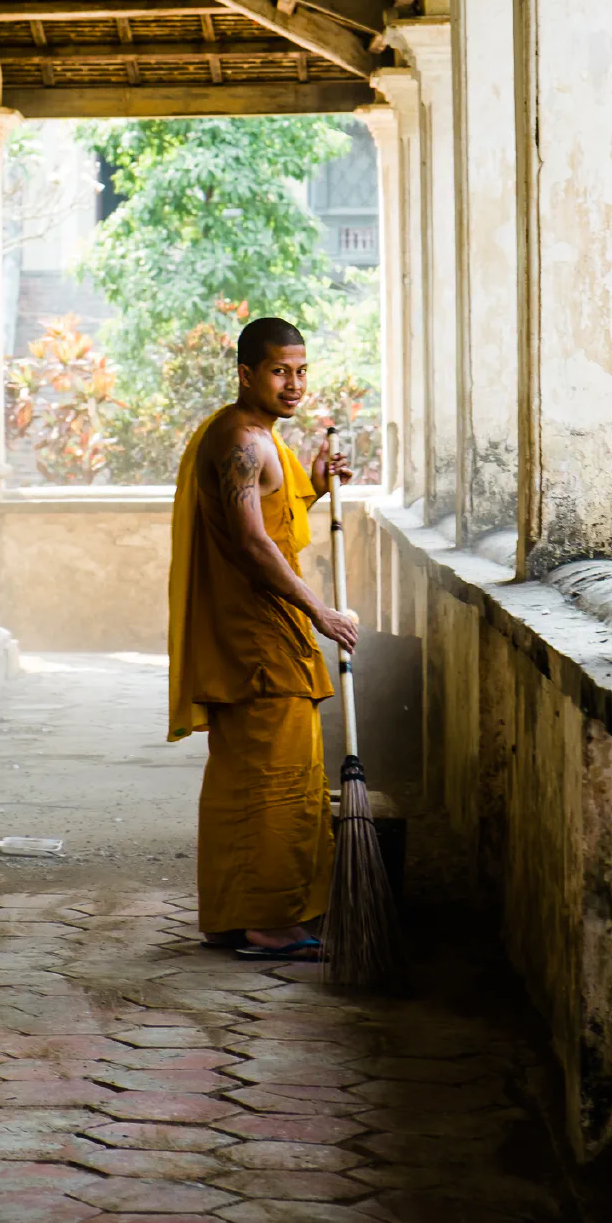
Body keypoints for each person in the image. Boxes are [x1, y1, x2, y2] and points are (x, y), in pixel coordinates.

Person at [167, 316, 358, 961]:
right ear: (247, 374)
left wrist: (310, 485)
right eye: (280, 371)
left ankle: (233, 914)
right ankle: (270, 922)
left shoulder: (258, 441)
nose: (294, 384)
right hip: (258, 638)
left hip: (257, 631)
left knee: (245, 776)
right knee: (276, 779)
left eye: (302, 371)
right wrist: (320, 613)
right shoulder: (243, 440)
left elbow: (267, 522)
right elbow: (250, 542)